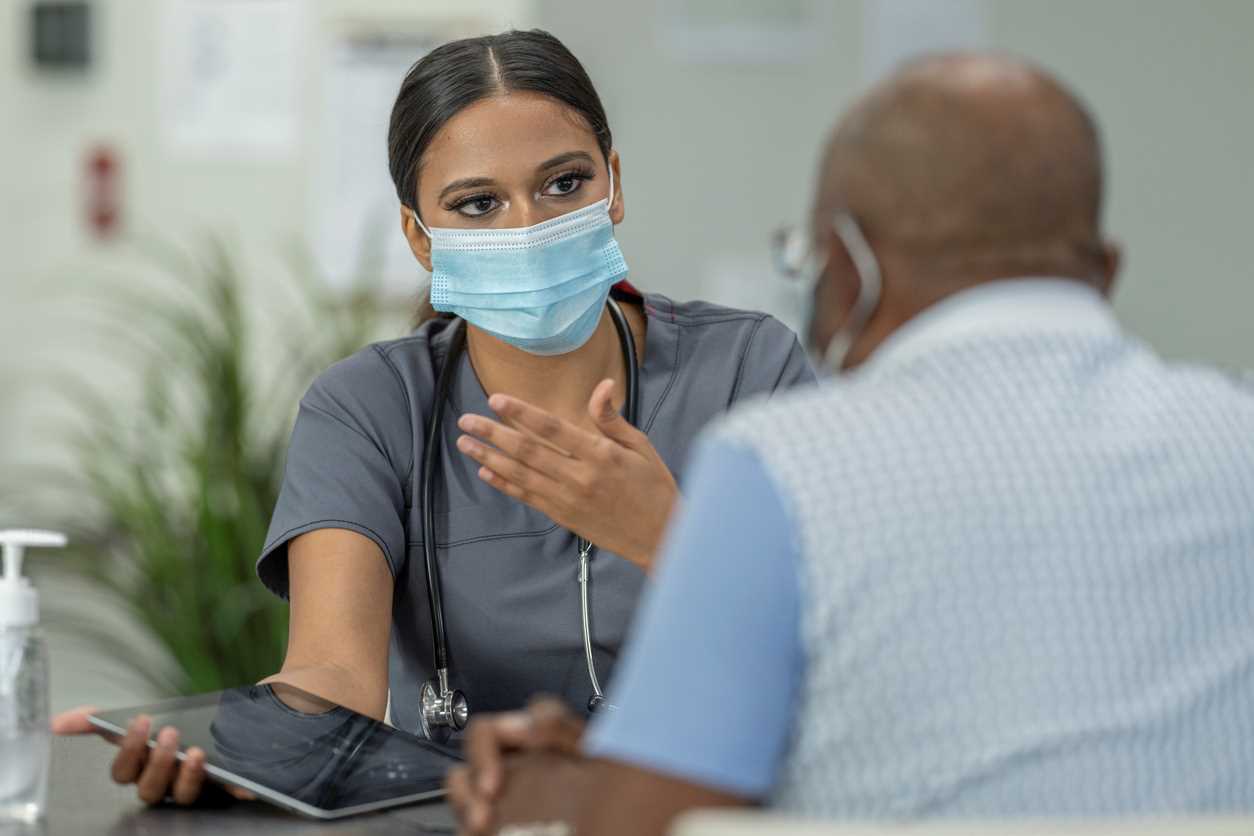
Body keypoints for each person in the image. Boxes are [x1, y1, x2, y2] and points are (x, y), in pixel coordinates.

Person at [447, 51, 1254, 834]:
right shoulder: (1237, 438)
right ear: (1104, 271)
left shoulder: (782, 468)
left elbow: (654, 827)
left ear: (848, 269)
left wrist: (569, 789)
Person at [51, 29, 813, 805]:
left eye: (563, 184)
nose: (525, 226)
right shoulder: (368, 408)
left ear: (612, 185)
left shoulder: (749, 369)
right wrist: (235, 753)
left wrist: (669, 537)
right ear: (420, 235)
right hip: (463, 819)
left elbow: (841, 633)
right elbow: (333, 673)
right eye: (477, 205)